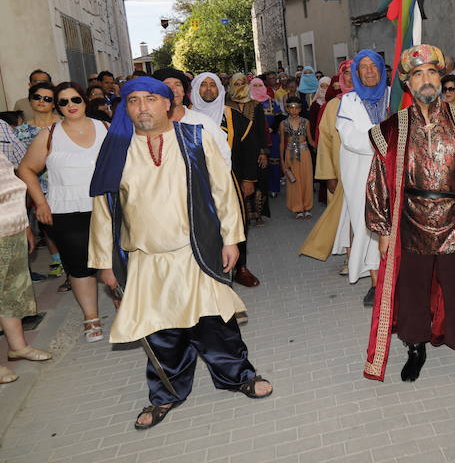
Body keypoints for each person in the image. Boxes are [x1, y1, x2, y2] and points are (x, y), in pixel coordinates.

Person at [88, 77, 271, 430]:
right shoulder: (115, 151)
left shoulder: (194, 139)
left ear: (166, 104)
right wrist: (104, 263)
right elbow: (103, 212)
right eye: (134, 100)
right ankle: (166, 393)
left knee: (216, 324)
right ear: (125, 107)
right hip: (146, 259)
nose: (143, 107)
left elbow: (223, 191)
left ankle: (238, 377)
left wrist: (231, 239)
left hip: (195, 253)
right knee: (161, 331)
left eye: (150, 99)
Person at [364, 44, 455, 384]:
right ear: (408, 84)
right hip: (410, 223)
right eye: (417, 74)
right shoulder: (392, 128)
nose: (425, 80)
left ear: (440, 77)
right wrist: (383, 229)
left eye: (431, 72)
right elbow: (378, 180)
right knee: (412, 293)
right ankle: (415, 348)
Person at [18, 82, 107, 343]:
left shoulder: (105, 128)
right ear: (57, 106)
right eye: (64, 102)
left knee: (114, 262)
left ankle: (126, 308)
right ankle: (91, 319)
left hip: (105, 207)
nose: (70, 106)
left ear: (84, 101)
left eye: (75, 100)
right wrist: (41, 202)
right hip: (66, 210)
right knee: (80, 267)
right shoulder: (49, 134)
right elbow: (26, 170)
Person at [191, 73, 261, 289]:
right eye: (204, 85)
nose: (208, 89)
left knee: (237, 221)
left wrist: (249, 179)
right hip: (197, 181)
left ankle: (240, 267)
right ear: (195, 89)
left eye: (213, 85)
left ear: (220, 89)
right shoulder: (186, 116)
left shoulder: (231, 116)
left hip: (232, 178)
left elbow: (250, 149)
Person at [337, 50, 390, 307]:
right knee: (369, 226)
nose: (369, 71)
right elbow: (350, 138)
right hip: (362, 175)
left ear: (381, 69)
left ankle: (396, 281)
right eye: (363, 67)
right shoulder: (348, 101)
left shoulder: (395, 96)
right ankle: (375, 283)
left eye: (374, 66)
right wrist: (385, 142)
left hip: (394, 172)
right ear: (356, 73)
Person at [0, 152, 52, 384]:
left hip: (11, 228)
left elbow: (8, 183)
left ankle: (18, 346)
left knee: (13, 293)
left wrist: (24, 225)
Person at [300, 62, 352, 266]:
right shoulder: (333, 106)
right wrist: (329, 174)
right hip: (339, 171)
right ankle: (350, 258)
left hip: (367, 172)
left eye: (353, 72)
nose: (349, 77)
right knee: (343, 217)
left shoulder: (371, 101)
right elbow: (325, 142)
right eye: (345, 73)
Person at [15, 82, 63, 277]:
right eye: (37, 97)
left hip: (65, 185)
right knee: (48, 228)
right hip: (38, 189)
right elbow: (20, 164)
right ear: (30, 101)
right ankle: (59, 262)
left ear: (54, 103)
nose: (41, 101)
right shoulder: (20, 132)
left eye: (47, 98)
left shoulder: (64, 125)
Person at [152, 68, 230, 164]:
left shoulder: (203, 123)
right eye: (167, 85)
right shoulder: (148, 125)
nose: (173, 90)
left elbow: (223, 157)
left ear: (184, 91)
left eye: (178, 84)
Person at [227, 74, 270, 226]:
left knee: (257, 180)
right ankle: (241, 214)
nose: (240, 86)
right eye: (236, 83)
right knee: (237, 182)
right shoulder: (226, 104)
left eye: (242, 83)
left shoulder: (255, 105)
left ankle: (257, 214)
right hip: (232, 151)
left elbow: (261, 130)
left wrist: (263, 151)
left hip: (254, 149)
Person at [281, 96, 313, 219]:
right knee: (294, 181)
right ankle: (297, 207)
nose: (294, 110)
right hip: (290, 154)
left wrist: (321, 147)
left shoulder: (306, 122)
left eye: (297, 108)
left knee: (306, 179)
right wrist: (283, 162)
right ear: (287, 108)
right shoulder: (283, 124)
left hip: (305, 153)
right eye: (291, 107)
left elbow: (310, 139)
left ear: (300, 109)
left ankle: (307, 206)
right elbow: (281, 144)